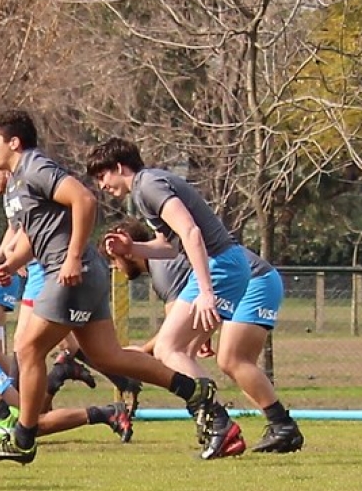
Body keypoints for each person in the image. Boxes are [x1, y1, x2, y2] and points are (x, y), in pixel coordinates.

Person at [0, 110, 229, 464]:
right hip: (81, 272)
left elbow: (84, 200)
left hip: (71, 273)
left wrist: (72, 257)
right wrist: (7, 264)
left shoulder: (35, 166)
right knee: (108, 357)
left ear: (14, 142)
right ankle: (194, 390)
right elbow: (37, 237)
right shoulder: (19, 181)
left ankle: (23, 439)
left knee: (27, 347)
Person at [89, 137, 265, 457]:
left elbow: (191, 232)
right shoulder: (146, 189)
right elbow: (169, 246)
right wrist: (132, 248)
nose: (102, 185)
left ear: (119, 167)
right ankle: (217, 425)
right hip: (224, 264)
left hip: (220, 265)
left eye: (102, 176)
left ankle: (219, 422)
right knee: (178, 351)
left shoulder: (149, 185)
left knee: (168, 348)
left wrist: (206, 292)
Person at [102, 216, 302, 452]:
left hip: (256, 281)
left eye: (113, 259)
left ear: (128, 253)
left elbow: (171, 334)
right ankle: (276, 425)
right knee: (219, 358)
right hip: (255, 279)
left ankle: (229, 423)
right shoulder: (162, 266)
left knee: (228, 359)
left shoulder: (163, 269)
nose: (115, 267)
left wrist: (137, 355)